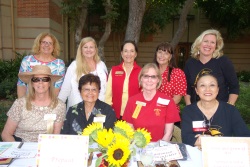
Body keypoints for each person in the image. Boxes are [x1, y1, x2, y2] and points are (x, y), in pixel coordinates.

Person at [181, 70, 250, 148]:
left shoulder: (230, 111)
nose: (207, 89)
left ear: (217, 90)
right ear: (197, 90)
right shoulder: (189, 111)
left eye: (212, 85)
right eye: (202, 85)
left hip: (224, 154)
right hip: (197, 154)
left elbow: (245, 136)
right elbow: (186, 138)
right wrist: (201, 141)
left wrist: (208, 141)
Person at [1, 65, 66, 142]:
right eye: (36, 79)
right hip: (21, 146)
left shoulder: (59, 106)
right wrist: (18, 150)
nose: (40, 82)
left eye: (45, 79)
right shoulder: (20, 104)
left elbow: (56, 137)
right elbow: (6, 134)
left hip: (45, 147)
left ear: (49, 83)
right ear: (31, 83)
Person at [123, 63, 180, 142]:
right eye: (146, 76)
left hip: (160, 147)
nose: (149, 80)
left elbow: (168, 133)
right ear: (141, 79)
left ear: (158, 80)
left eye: (153, 77)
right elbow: (129, 128)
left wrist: (159, 148)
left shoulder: (168, 101)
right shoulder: (132, 101)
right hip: (137, 147)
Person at [184, 29, 239, 105]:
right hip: (196, 109)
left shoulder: (223, 61)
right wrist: (189, 107)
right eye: (206, 41)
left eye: (212, 42)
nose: (208, 45)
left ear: (216, 46)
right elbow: (187, 88)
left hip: (220, 109)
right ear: (199, 43)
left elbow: (234, 86)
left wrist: (229, 107)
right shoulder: (190, 63)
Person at [58, 37, 108, 111]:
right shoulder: (74, 66)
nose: (88, 50)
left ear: (95, 49)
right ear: (81, 50)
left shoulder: (101, 65)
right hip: (77, 110)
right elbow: (65, 89)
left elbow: (106, 88)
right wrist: (57, 108)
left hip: (99, 109)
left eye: (91, 47)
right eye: (85, 47)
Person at [17, 32, 65, 98]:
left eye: (50, 43)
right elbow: (21, 84)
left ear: (54, 47)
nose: (47, 45)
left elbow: (57, 87)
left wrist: (46, 104)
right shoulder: (27, 60)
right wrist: (21, 102)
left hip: (49, 102)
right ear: (39, 44)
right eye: (44, 42)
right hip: (28, 101)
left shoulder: (59, 64)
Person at [105, 40, 141, 119]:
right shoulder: (114, 70)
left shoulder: (141, 72)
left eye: (132, 51)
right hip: (115, 114)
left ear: (135, 54)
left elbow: (143, 95)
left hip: (135, 115)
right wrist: (109, 111)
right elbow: (108, 94)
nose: (128, 54)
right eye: (125, 51)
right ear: (122, 53)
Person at [153, 42, 187, 111]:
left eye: (166, 53)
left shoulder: (177, 73)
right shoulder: (150, 71)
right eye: (160, 52)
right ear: (156, 54)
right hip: (151, 110)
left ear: (170, 57)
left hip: (169, 111)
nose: (162, 56)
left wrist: (158, 106)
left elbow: (177, 99)